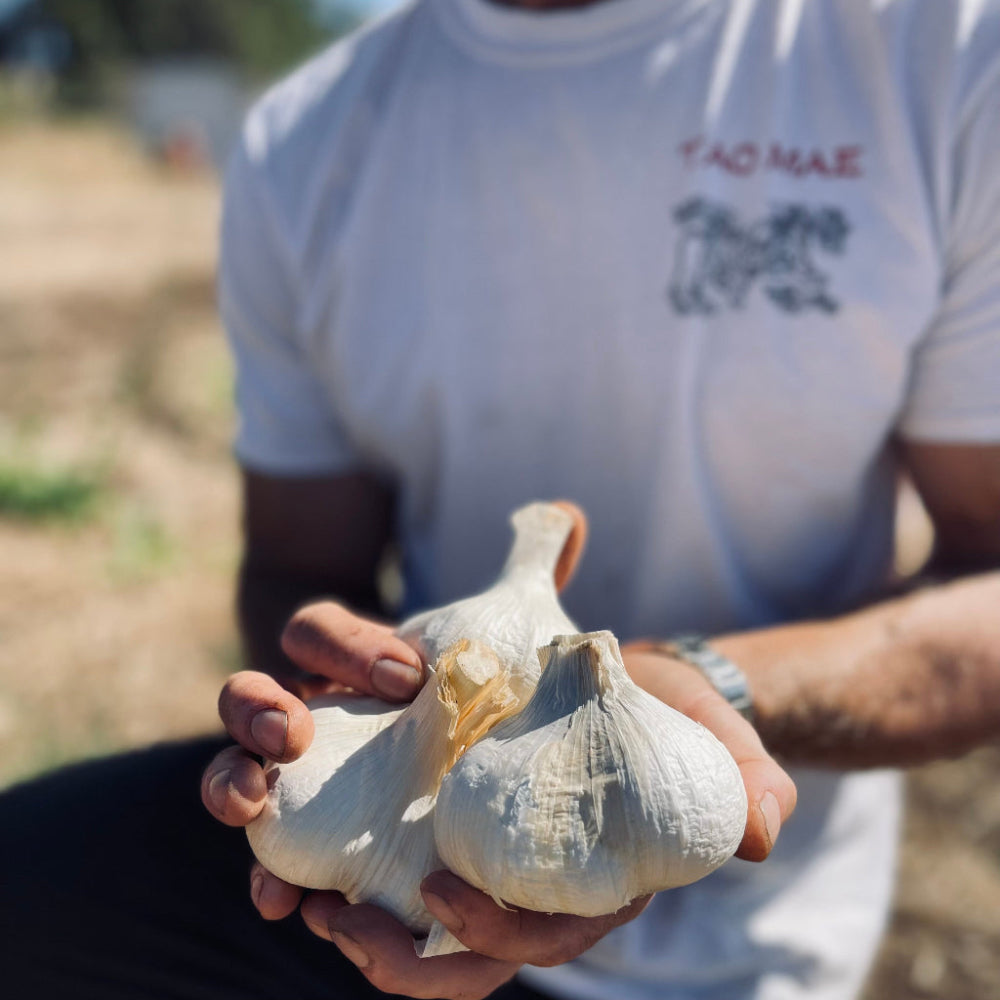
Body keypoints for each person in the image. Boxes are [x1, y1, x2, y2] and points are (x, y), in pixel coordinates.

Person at [2, 1, 999, 999]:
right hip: (399, 865)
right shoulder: (305, 136)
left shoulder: (939, 52)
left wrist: (707, 685)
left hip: (732, 947)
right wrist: (315, 698)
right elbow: (300, 566)